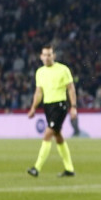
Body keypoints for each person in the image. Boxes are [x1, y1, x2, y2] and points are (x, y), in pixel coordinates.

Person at [27, 45, 77, 177]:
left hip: (60, 105)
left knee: (47, 134)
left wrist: (73, 106)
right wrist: (33, 107)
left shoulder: (63, 69)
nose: (47, 57)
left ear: (54, 56)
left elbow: (71, 88)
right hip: (47, 106)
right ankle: (69, 169)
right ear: (41, 56)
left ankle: (36, 168)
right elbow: (39, 92)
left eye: (49, 54)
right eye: (45, 55)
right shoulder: (40, 72)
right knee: (58, 136)